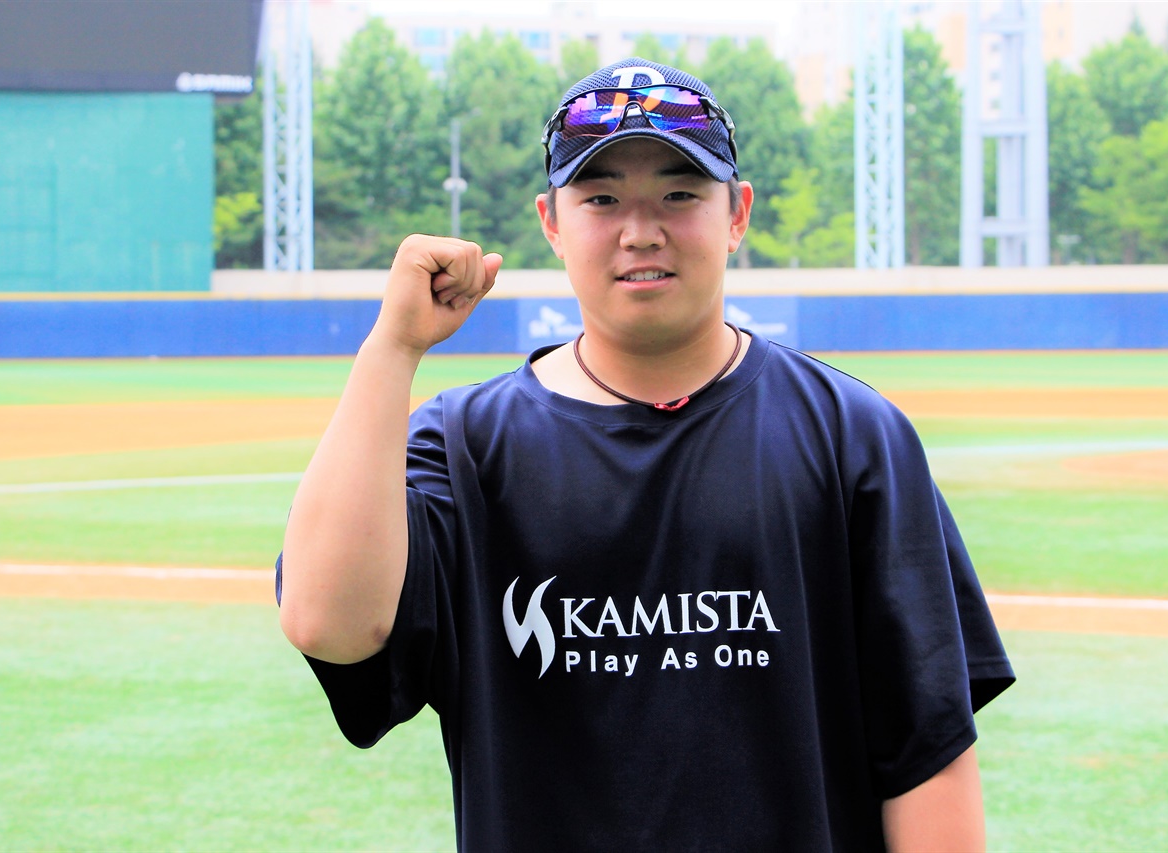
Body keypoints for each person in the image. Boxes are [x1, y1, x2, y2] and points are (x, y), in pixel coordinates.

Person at [277, 57, 1014, 852]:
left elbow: (925, 750)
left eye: (679, 192)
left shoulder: (851, 433)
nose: (641, 229)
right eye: (601, 197)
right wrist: (392, 347)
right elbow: (329, 625)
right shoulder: (465, 448)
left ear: (737, 214)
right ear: (551, 222)